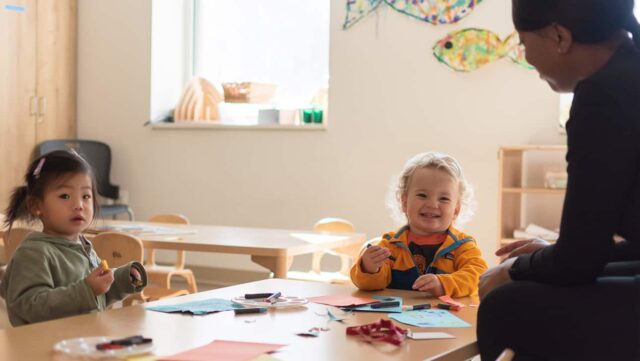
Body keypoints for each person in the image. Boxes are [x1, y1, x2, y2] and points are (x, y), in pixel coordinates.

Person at [477, 0, 640, 359]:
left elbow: (579, 260)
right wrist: (550, 255)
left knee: (502, 303)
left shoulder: (603, 95)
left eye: (523, 42)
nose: (526, 57)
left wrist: (515, 270)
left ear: (559, 36)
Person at [0, 151, 147, 326]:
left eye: (86, 196)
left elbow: (96, 295)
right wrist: (87, 289)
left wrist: (122, 279)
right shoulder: (33, 253)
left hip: (79, 342)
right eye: (65, 196)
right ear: (36, 205)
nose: (78, 205)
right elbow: (31, 306)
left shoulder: (82, 246)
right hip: (42, 347)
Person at [350, 152, 488, 297]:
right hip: (397, 317)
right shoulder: (391, 245)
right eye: (422, 195)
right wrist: (369, 268)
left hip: (447, 318)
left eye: (444, 198)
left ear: (456, 210)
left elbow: (478, 275)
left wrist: (444, 284)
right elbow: (371, 286)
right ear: (404, 202)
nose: (432, 204)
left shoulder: (462, 246)